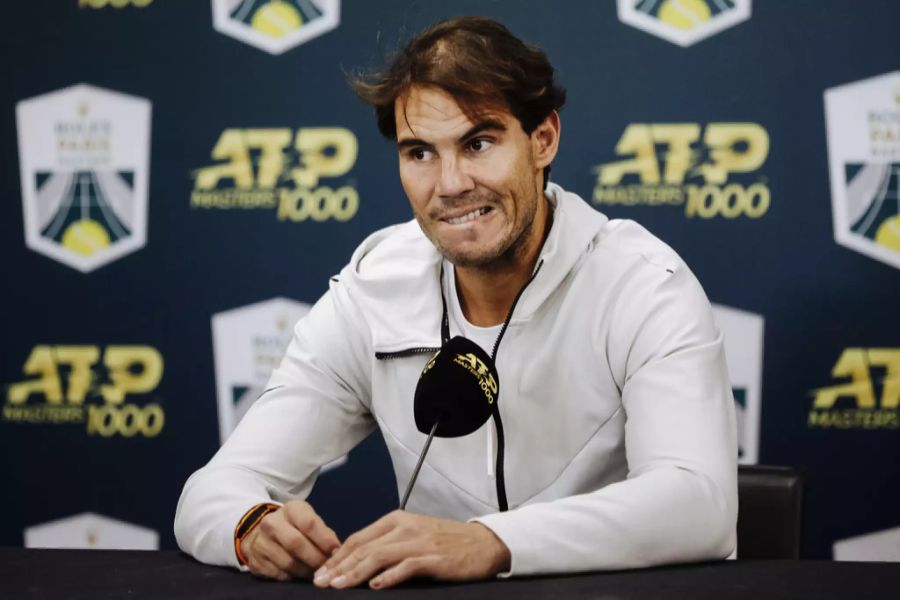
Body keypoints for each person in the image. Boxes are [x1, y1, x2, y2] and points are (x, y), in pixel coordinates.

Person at [174, 16, 737, 590]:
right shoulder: (376, 289)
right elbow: (214, 491)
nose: (449, 183)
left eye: (479, 143)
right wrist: (251, 527)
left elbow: (699, 503)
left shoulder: (641, 283)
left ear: (543, 139)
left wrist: (492, 542)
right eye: (419, 152)